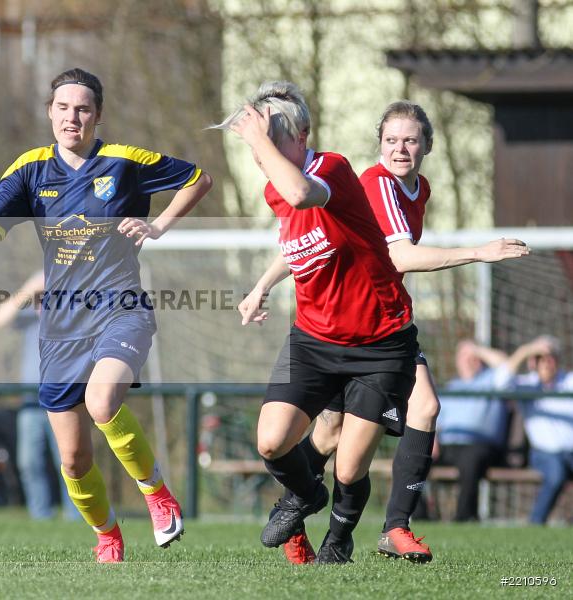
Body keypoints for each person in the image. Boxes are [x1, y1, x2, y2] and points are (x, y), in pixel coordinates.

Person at [0, 67, 212, 562]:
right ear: (50, 114)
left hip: (120, 308)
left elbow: (199, 177)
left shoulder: (124, 162)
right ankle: (107, 535)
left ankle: (156, 493)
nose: (73, 117)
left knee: (103, 400)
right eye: (64, 108)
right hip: (60, 328)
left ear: (98, 115)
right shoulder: (28, 169)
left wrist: (159, 226)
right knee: (73, 459)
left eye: (83, 108)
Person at [288, 101, 528, 563]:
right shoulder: (378, 184)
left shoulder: (418, 189)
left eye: (410, 140)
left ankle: (387, 527)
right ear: (379, 144)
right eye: (391, 140)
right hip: (355, 326)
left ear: (427, 146)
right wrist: (481, 250)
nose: (400, 149)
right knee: (334, 434)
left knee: (393, 416)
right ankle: (297, 512)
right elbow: (399, 256)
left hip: (384, 322)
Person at [217, 81, 420, 564]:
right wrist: (263, 285)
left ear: (303, 135)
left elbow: (302, 193)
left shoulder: (330, 168)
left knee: (349, 467)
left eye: (271, 139)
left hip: (380, 341)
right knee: (270, 441)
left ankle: (338, 544)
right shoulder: (274, 188)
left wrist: (257, 139)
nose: (260, 154)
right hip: (313, 339)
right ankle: (304, 496)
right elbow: (302, 243)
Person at [0, 271, 78, 521]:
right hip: (31, 401)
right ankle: (40, 517)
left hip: (66, 399)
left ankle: (77, 516)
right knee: (29, 462)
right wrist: (29, 289)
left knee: (71, 461)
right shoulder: (30, 317)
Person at [499, 336, 573, 524]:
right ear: (533, 361)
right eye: (541, 358)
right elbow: (500, 383)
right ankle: (536, 522)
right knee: (556, 474)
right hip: (544, 453)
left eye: (551, 357)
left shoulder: (568, 381)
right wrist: (525, 350)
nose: (548, 363)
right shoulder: (527, 384)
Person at [436, 340, 511, 522]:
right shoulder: (452, 387)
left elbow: (507, 365)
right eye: (463, 357)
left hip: (480, 445)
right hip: (447, 445)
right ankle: (418, 516)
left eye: (473, 357)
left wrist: (476, 349)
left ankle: (464, 517)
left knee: (470, 458)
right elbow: (436, 421)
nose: (468, 361)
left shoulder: (491, 381)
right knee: (413, 454)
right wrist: (431, 440)